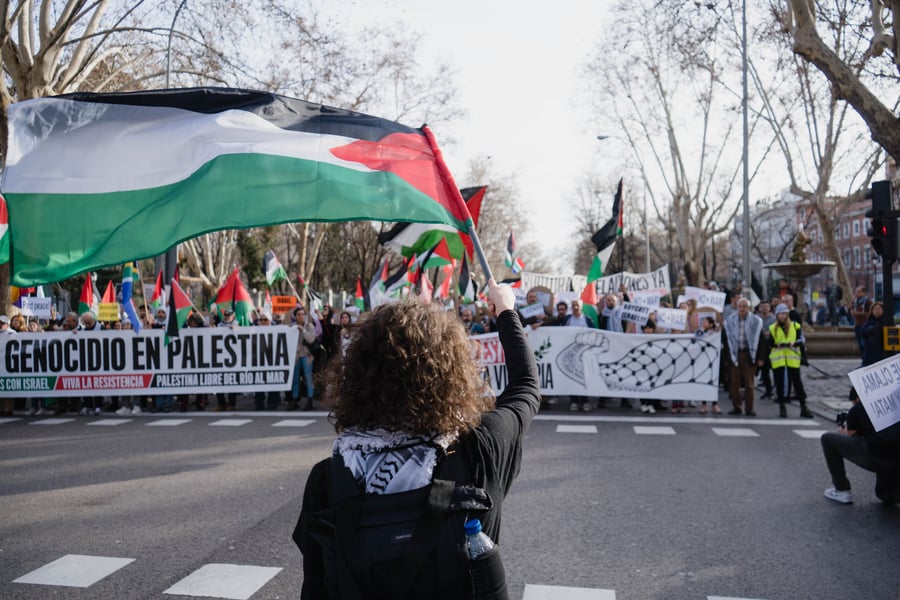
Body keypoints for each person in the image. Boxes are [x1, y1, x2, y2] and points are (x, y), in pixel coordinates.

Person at [294, 279, 539, 599]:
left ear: (355, 374)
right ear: (454, 372)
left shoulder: (329, 478)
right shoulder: (479, 450)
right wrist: (506, 311)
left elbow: (316, 587)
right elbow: (525, 388)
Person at [821, 388, 900, 505]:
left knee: (827, 439)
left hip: (876, 456)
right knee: (885, 495)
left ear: (858, 398)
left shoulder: (858, 409)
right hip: (896, 460)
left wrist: (843, 432)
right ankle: (893, 492)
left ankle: (842, 490)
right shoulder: (894, 404)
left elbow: (852, 438)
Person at [722, 298, 766, 417]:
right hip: (735, 354)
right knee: (734, 383)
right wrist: (727, 358)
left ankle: (749, 408)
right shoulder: (730, 321)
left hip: (749, 354)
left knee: (749, 384)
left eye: (744, 306)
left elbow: (761, 340)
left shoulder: (756, 321)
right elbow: (726, 341)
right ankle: (736, 407)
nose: (742, 309)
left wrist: (761, 358)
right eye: (740, 306)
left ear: (749, 308)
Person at [769, 304, 812, 418]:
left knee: (797, 383)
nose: (782, 316)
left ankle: (804, 407)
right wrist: (777, 345)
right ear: (777, 315)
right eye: (780, 314)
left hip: (792, 358)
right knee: (779, 384)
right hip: (779, 359)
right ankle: (782, 407)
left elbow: (800, 340)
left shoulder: (795, 325)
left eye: (784, 313)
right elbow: (770, 343)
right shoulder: (773, 328)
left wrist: (794, 344)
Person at [564, 299, 595, 412]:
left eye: (577, 305)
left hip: (585, 354)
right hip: (570, 354)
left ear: (581, 307)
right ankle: (574, 401)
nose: (575, 307)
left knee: (584, 378)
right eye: (573, 305)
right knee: (572, 377)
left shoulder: (587, 319)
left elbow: (594, 333)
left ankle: (585, 400)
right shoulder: (567, 319)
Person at [290, 305, 318, 411]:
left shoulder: (309, 326)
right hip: (296, 357)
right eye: (298, 315)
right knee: (295, 379)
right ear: (295, 316)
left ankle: (310, 400)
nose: (301, 316)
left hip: (307, 356)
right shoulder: (292, 326)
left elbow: (311, 339)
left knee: (308, 378)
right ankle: (294, 399)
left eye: (302, 314)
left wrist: (303, 330)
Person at [860, 301, 889, 366]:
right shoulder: (869, 322)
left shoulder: (886, 321)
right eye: (875, 309)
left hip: (881, 354)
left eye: (879, 308)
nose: (876, 310)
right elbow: (863, 331)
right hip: (869, 354)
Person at [851, 286, 872, 360]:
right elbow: (851, 309)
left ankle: (866, 359)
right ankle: (864, 359)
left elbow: (869, 313)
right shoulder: (855, 301)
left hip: (864, 325)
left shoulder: (868, 301)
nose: (856, 293)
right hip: (857, 325)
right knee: (860, 344)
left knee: (864, 344)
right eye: (856, 291)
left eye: (858, 292)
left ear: (863, 292)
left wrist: (858, 313)